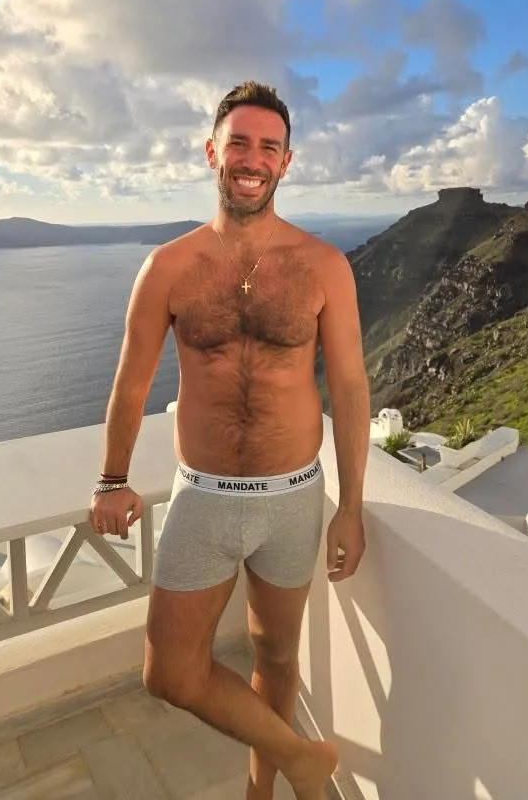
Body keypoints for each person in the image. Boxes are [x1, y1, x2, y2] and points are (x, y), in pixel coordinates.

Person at [89, 81, 370, 800]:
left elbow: (350, 389)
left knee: (276, 658)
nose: (252, 158)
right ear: (213, 151)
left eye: (268, 147)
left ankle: (262, 790)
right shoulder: (169, 267)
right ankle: (304, 759)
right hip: (205, 498)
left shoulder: (324, 266)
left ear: (287, 162)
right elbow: (130, 385)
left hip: (293, 498)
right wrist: (111, 479)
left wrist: (352, 507)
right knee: (171, 673)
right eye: (238, 142)